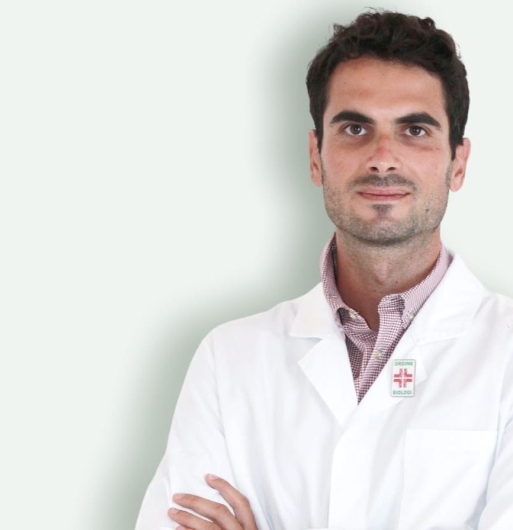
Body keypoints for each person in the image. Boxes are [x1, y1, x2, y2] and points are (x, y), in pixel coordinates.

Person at [135, 10, 513, 530]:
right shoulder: (230, 361)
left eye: (415, 130)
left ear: (459, 162)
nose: (383, 159)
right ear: (316, 156)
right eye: (355, 128)